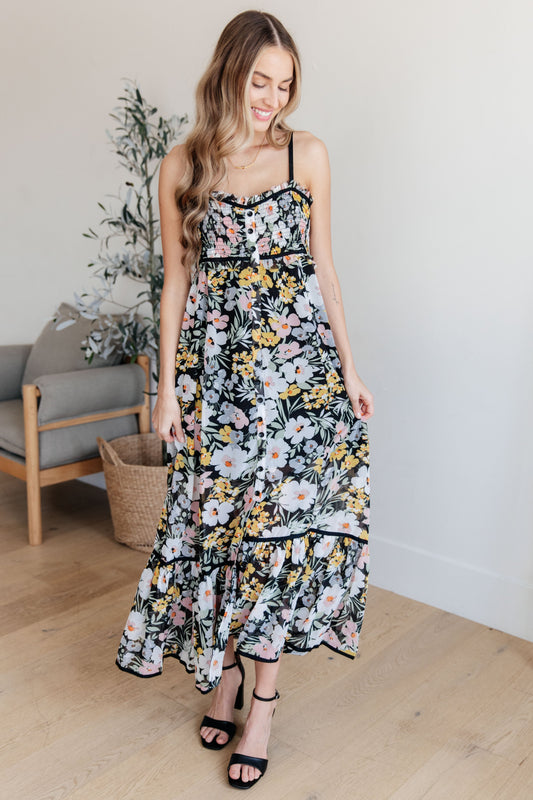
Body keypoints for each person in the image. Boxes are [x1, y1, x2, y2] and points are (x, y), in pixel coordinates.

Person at [115, 8, 374, 790]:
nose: (271, 99)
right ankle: (224, 677)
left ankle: (261, 704)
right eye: (259, 81)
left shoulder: (306, 154)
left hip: (299, 386)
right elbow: (176, 283)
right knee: (219, 533)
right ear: (228, 73)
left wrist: (350, 369)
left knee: (275, 539)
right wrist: (166, 391)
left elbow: (323, 268)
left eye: (284, 85)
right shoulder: (181, 165)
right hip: (217, 386)